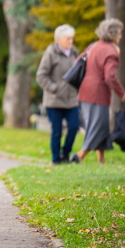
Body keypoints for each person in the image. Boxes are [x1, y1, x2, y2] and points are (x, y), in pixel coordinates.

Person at [70, 18, 125, 164]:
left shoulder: (94, 46)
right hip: (97, 94)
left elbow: (78, 60)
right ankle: (79, 155)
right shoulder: (111, 51)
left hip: (84, 92)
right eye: (119, 33)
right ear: (114, 34)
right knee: (97, 127)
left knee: (100, 125)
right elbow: (110, 77)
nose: (121, 36)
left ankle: (101, 160)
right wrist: (122, 93)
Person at [35, 24, 80, 164]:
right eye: (68, 39)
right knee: (57, 131)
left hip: (71, 98)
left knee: (74, 127)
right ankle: (55, 159)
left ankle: (65, 154)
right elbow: (41, 76)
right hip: (54, 100)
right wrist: (54, 88)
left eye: (72, 39)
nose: (70, 41)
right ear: (58, 39)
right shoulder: (50, 53)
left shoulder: (74, 52)